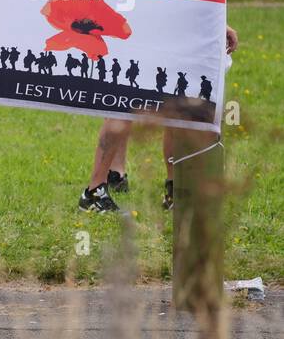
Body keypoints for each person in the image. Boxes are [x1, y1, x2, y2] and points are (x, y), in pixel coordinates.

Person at [80, 27, 238, 214]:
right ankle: (94, 191)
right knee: (123, 101)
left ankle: (174, 190)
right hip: (141, 23)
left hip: (176, 28)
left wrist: (219, 24)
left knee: (176, 103)